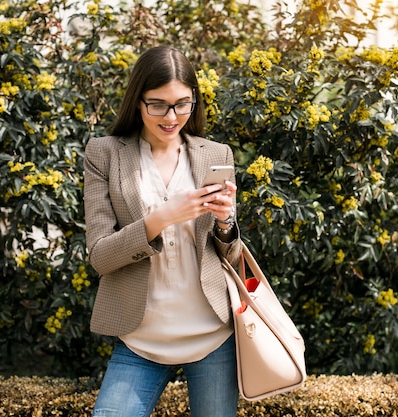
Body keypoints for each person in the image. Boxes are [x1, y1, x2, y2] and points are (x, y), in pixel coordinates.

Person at [83, 45, 242, 417]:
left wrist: (225, 223)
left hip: (213, 333)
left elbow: (232, 257)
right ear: (137, 101)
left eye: (182, 104)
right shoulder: (104, 153)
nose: (172, 117)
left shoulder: (216, 155)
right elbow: (100, 256)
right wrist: (162, 217)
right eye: (158, 104)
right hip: (140, 337)